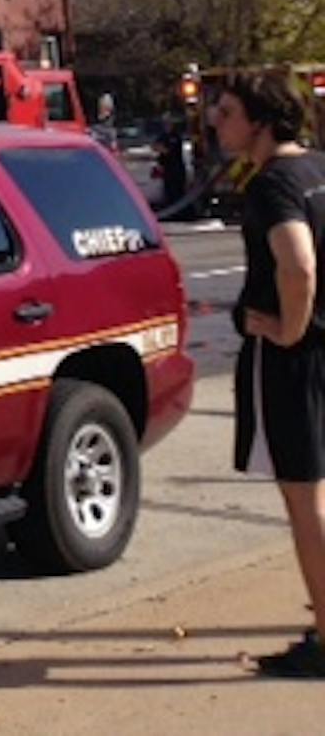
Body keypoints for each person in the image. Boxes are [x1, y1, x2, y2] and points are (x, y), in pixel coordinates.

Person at [212, 72, 325, 680]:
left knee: (306, 501)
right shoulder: (317, 170)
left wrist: (289, 328)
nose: (216, 121)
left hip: (293, 362)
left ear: (261, 121)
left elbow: (298, 264)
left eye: (227, 112)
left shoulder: (275, 185)